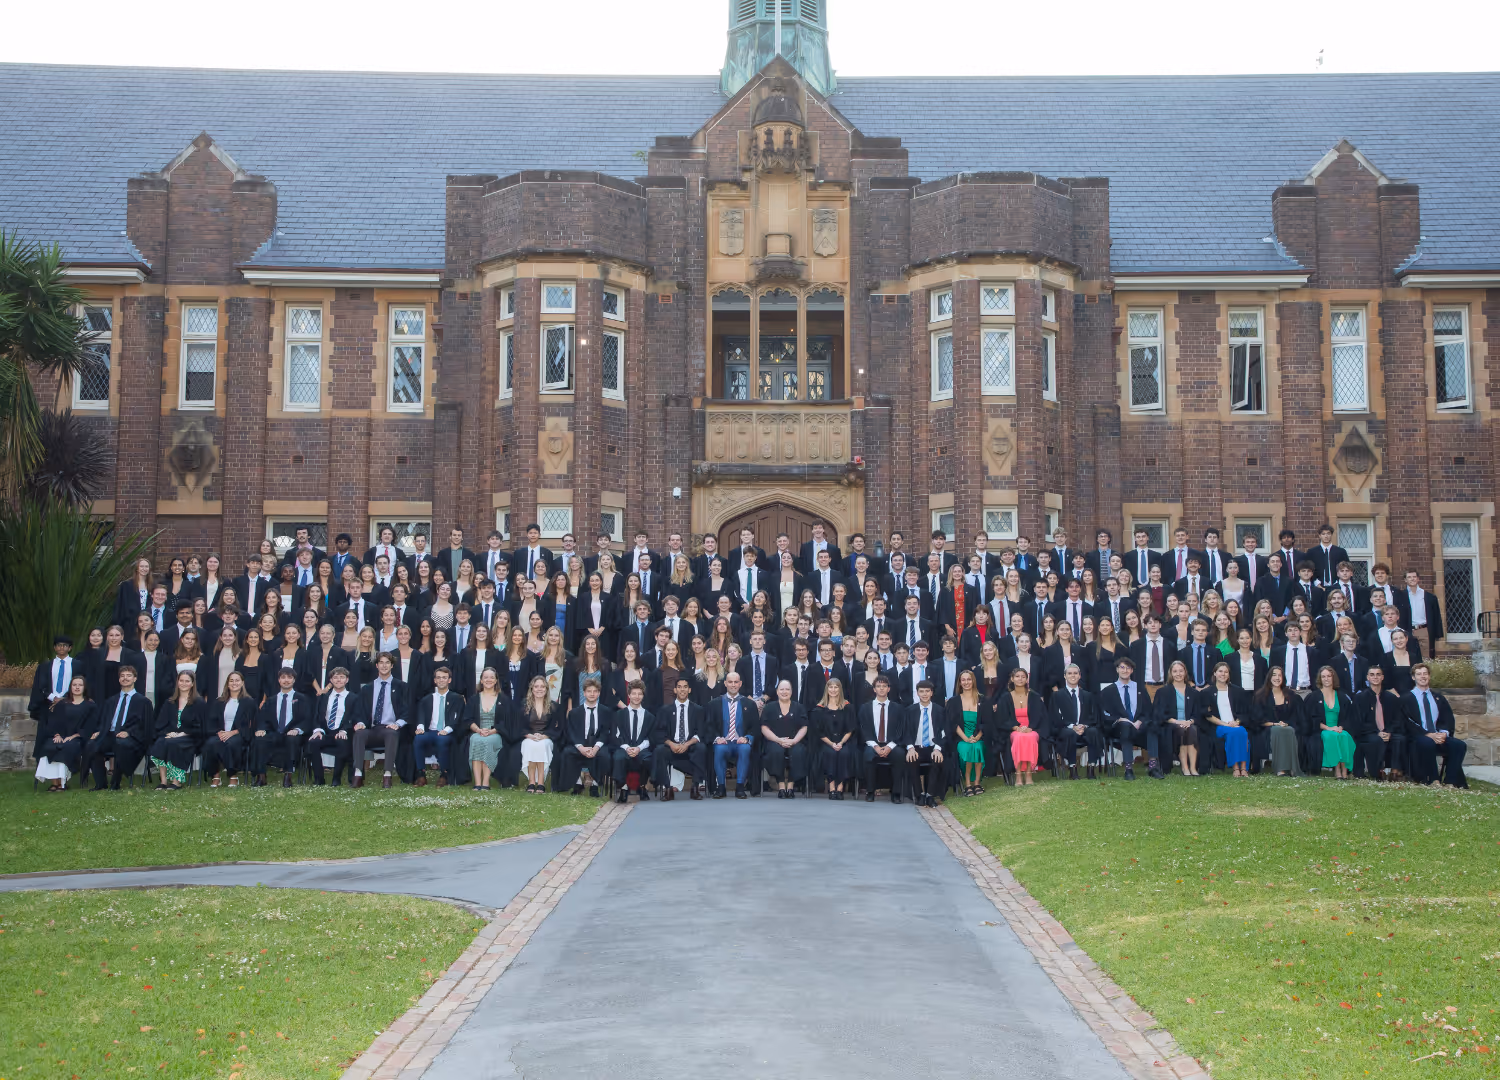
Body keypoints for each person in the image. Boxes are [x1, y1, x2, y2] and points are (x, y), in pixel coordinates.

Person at [350, 652, 411, 788]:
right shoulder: (367, 688)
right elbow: (359, 710)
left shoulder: (401, 686)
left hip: (390, 728)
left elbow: (407, 710)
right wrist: (360, 723)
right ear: (377, 666)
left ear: (392, 666)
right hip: (371, 728)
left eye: (387, 663)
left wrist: (398, 724)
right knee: (359, 734)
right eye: (381, 663)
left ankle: (387, 775)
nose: (384, 665)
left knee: (391, 734)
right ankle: (358, 774)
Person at [1402, 663, 1467, 787]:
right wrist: (1427, 734)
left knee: (1459, 745)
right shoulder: (1406, 698)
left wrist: (1443, 733)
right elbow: (1406, 722)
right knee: (1427, 742)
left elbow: (1447, 719)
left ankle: (1450, 781)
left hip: (1438, 736)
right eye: (1419, 674)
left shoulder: (1438, 698)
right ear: (1413, 677)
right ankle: (1433, 780)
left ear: (1429, 676)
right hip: (1417, 737)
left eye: (1425, 673)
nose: (1422, 676)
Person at [1099, 656, 1159, 780]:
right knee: (1126, 727)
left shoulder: (1140, 688)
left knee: (1152, 726)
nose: (1125, 670)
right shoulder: (1108, 691)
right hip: (1119, 727)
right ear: (1117, 670)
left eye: (1128, 668)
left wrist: (1140, 721)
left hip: (1138, 725)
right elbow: (1104, 713)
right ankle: (1128, 769)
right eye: (1122, 667)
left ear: (1132, 671)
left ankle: (1153, 767)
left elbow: (1148, 710)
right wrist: (1119, 719)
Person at [251, 666, 312, 787]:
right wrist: (261, 729)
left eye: (289, 677)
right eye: (283, 677)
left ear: (294, 680)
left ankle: (288, 775)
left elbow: (307, 719)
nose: (286, 680)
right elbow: (263, 718)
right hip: (275, 732)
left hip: (293, 734)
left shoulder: (302, 699)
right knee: (260, 740)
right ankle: (261, 776)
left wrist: (297, 729)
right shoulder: (271, 700)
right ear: (278, 680)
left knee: (291, 739)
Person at [35, 675, 95, 792]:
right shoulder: (62, 704)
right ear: (70, 687)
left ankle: (62, 783)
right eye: (74, 685)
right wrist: (57, 735)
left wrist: (76, 735)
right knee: (49, 746)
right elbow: (53, 721)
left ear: (84, 687)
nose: (77, 687)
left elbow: (92, 724)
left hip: (79, 738)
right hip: (60, 736)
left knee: (66, 747)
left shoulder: (90, 705)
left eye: (80, 685)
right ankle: (54, 783)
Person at [1349, 664, 1405, 782]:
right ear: (1367, 678)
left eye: (1378, 674)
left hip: (1387, 731)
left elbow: (1397, 719)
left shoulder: (1391, 698)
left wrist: (1388, 732)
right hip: (1367, 733)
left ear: (1382, 677)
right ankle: (1377, 772)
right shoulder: (1360, 698)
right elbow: (1358, 721)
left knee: (1399, 739)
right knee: (1376, 740)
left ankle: (1395, 772)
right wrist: (1377, 732)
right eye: (1372, 675)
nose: (1375, 677)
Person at [150, 671, 205, 790]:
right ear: (177, 682)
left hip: (191, 737)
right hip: (171, 735)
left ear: (192, 684)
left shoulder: (198, 702)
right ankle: (163, 781)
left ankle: (176, 781)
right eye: (181, 681)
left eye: (187, 681)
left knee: (174, 744)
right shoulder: (170, 702)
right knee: (161, 742)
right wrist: (169, 733)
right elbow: (161, 723)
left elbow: (201, 726)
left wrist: (182, 733)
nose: (184, 683)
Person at [654, 676, 706, 800]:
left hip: (690, 745)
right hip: (672, 745)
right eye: (679, 687)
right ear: (675, 690)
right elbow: (659, 732)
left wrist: (687, 744)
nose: (682, 690)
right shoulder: (665, 710)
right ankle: (668, 789)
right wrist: (672, 744)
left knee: (701, 748)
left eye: (685, 687)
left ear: (689, 690)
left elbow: (701, 732)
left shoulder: (698, 710)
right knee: (659, 750)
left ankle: (695, 788)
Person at [858, 674, 908, 803]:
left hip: (892, 744)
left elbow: (900, 730)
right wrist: (875, 746)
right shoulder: (865, 708)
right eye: (878, 686)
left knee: (899, 755)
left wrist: (889, 746)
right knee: (868, 756)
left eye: (884, 686)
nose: (881, 689)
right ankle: (870, 791)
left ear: (889, 689)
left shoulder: (898, 708)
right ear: (874, 689)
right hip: (872, 744)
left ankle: (896, 793)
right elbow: (864, 729)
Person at [993, 667, 1046, 786]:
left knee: (1030, 737)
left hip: (1032, 729)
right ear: (1012, 679)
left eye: (1023, 676)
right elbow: (1002, 718)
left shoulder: (1034, 696)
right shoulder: (1005, 697)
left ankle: (1028, 773)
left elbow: (1040, 716)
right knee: (1018, 737)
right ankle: (1018, 774)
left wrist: (1030, 728)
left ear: (1027, 679)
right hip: (1013, 730)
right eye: (1017, 676)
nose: (1020, 679)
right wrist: (1015, 727)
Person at [412, 663, 463, 787]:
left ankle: (444, 775)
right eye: (438, 677)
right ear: (434, 680)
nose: (441, 680)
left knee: (442, 740)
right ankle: (421, 774)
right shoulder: (427, 699)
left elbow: (458, 718)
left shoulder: (457, 698)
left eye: (444, 677)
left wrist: (447, 730)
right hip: (430, 731)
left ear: (449, 680)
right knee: (418, 739)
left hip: (447, 732)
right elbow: (421, 717)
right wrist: (420, 728)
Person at [1048, 663, 1101, 779]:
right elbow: (1055, 716)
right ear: (1065, 676)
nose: (1073, 676)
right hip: (1065, 729)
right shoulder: (1057, 695)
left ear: (1080, 676)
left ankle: (1091, 767)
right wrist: (1072, 726)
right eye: (1070, 673)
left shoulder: (1087, 695)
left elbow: (1093, 716)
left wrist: (1084, 726)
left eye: (1075, 673)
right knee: (1070, 733)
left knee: (1094, 732)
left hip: (1084, 728)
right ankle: (1072, 768)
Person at [708, 670, 755, 799]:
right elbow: (709, 725)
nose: (733, 685)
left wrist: (747, 738)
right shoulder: (714, 704)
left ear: (740, 684)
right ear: (725, 683)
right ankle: (721, 787)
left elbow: (755, 727)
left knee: (745, 748)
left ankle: (740, 787)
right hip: (724, 742)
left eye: (736, 682)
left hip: (740, 742)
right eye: (730, 682)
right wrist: (717, 738)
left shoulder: (749, 704)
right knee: (719, 749)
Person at [760, 679, 810, 798]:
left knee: (798, 752)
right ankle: (781, 786)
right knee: (776, 752)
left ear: (792, 692)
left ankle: (791, 786)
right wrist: (778, 740)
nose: (784, 692)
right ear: (777, 692)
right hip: (774, 741)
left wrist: (794, 741)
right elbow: (764, 728)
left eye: (787, 689)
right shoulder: (769, 708)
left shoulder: (799, 707)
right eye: (781, 689)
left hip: (795, 741)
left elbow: (804, 727)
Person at [1203, 661, 1251, 777]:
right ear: (1214, 673)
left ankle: (1243, 768)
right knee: (1237, 732)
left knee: (1241, 731)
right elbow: (1207, 714)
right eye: (1220, 671)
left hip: (1235, 724)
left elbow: (1245, 713)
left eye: (1226, 672)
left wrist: (1237, 722)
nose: (1223, 674)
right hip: (1218, 726)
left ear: (1229, 674)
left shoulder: (1237, 691)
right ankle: (1236, 768)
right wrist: (1225, 724)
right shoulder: (1207, 692)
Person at [463, 667, 508, 791]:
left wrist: (493, 731)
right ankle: (477, 783)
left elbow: (506, 721)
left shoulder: (503, 699)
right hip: (478, 731)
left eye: (492, 677)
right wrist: (478, 730)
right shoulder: (474, 699)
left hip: (496, 733)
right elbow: (468, 719)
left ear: (496, 681)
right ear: (481, 681)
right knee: (476, 740)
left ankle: (486, 782)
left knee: (487, 742)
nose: (489, 680)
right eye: (485, 677)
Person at [904, 680, 948, 806]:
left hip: (933, 747)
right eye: (921, 691)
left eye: (927, 691)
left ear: (932, 693)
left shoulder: (939, 710)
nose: (924, 694)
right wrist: (910, 748)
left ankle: (930, 795)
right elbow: (905, 731)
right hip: (916, 747)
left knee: (937, 759)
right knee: (912, 759)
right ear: (917, 693)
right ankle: (919, 795)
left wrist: (938, 748)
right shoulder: (910, 711)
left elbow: (944, 732)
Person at [1309, 665, 1356, 779]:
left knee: (1345, 736)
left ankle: (1344, 770)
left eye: (1329, 676)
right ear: (1320, 679)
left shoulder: (1342, 696)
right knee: (1332, 736)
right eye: (1323, 676)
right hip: (1323, 729)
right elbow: (1311, 719)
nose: (1326, 679)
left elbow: (1347, 716)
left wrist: (1341, 727)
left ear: (1333, 677)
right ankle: (1337, 770)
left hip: (1338, 728)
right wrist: (1329, 728)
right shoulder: (1313, 697)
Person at [518, 675, 561, 793]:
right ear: (531, 689)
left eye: (542, 686)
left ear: (547, 689)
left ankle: (541, 783)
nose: (539, 689)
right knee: (529, 745)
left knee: (542, 745)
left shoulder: (553, 706)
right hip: (529, 736)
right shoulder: (524, 705)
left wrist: (545, 736)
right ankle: (531, 782)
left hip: (546, 737)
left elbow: (557, 728)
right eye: (536, 686)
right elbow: (518, 725)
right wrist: (528, 735)